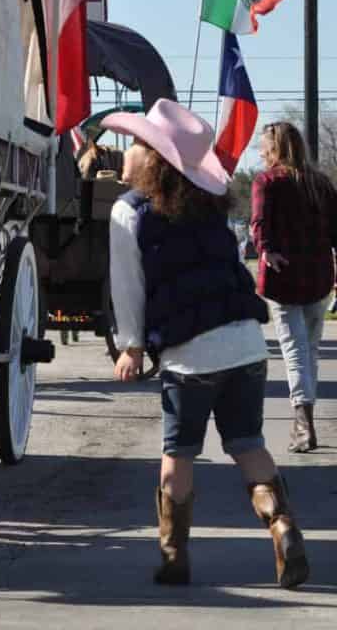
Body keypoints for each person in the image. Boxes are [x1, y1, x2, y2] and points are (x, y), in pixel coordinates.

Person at [105, 99, 308, 590]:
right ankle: (282, 526)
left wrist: (131, 347)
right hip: (245, 344)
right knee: (248, 446)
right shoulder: (207, 201)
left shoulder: (127, 211)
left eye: (134, 144)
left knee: (178, 454)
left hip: (189, 355)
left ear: (152, 157)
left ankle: (174, 557)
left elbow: (127, 286)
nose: (124, 153)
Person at [251, 121, 337, 452]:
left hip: (282, 277)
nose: (259, 153)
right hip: (318, 276)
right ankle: (303, 422)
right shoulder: (321, 183)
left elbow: (259, 224)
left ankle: (304, 427)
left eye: (263, 147)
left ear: (275, 150)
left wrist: (265, 250)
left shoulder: (267, 182)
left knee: (294, 353)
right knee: (309, 352)